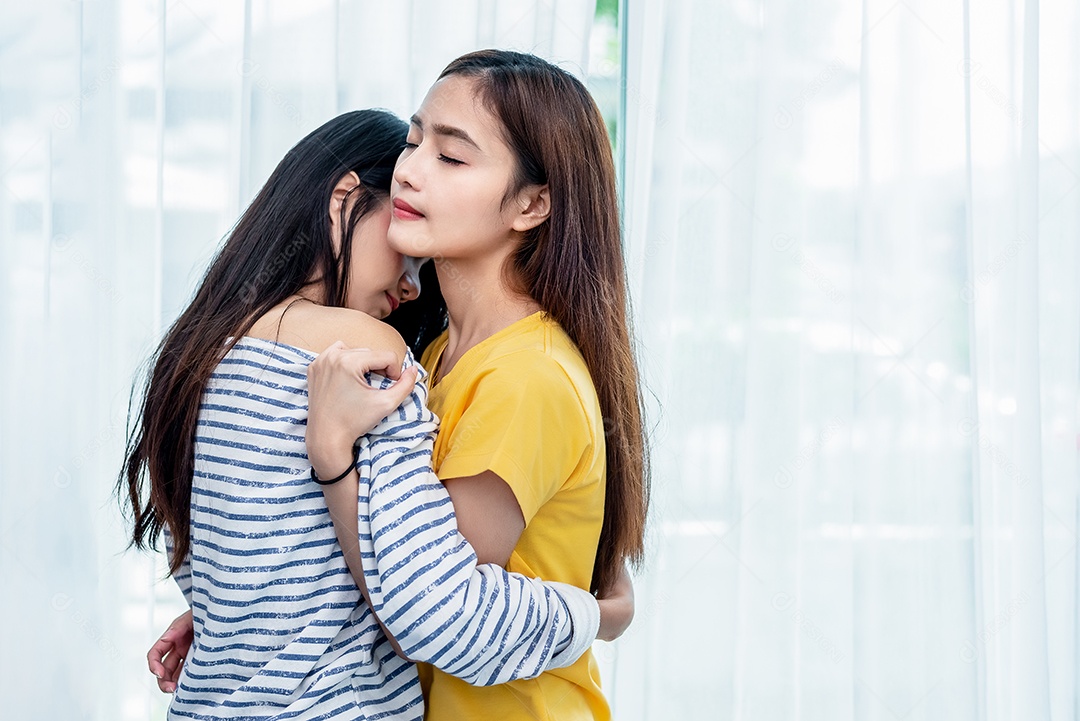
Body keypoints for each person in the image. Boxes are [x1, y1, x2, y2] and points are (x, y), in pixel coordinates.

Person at [121, 109, 630, 721]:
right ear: (344, 202)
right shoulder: (366, 352)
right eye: (404, 250)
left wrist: (238, 623)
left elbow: (274, 563)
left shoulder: (197, 359)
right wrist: (595, 614)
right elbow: (432, 608)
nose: (413, 290)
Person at [304, 50, 650, 721]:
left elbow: (421, 604)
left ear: (531, 203)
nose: (407, 169)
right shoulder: (436, 351)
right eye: (413, 141)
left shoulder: (529, 378)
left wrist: (332, 456)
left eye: (452, 157)